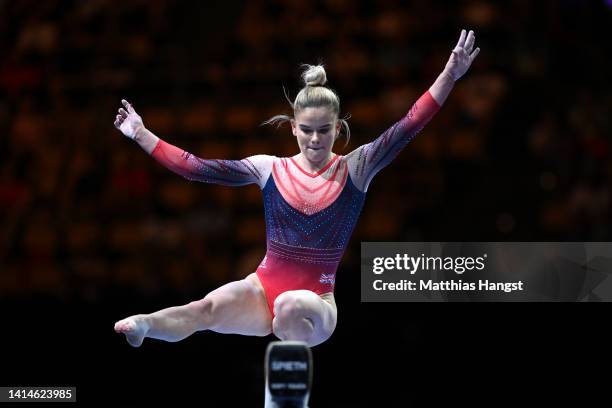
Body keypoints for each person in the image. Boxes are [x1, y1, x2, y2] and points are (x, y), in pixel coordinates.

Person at [113, 29, 480, 348]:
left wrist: (449, 75)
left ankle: (288, 355)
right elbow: (196, 168)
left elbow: (408, 125)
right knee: (204, 309)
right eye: (306, 130)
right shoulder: (269, 168)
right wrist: (142, 134)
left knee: (289, 307)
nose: (315, 138)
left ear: (338, 129)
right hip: (262, 292)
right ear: (292, 128)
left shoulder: (355, 168)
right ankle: (146, 325)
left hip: (317, 307)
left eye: (324, 130)